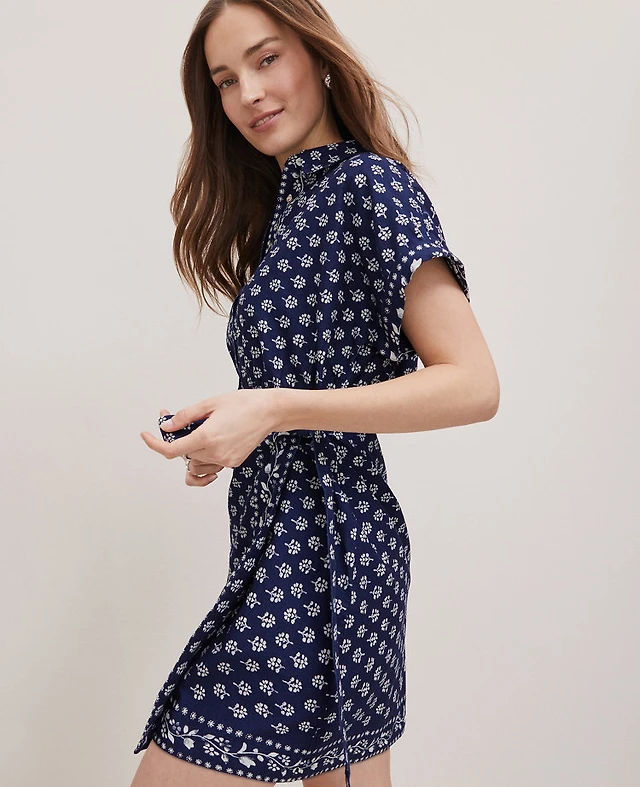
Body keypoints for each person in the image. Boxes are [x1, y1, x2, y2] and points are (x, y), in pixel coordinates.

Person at [131, 1, 500, 785]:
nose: (249, 94)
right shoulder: (288, 213)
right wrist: (231, 427)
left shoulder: (370, 188)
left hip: (333, 551)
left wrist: (273, 409)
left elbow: (474, 384)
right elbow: (307, 386)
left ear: (319, 56)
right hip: (279, 544)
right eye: (225, 80)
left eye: (266, 59)